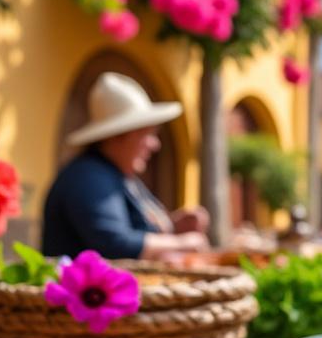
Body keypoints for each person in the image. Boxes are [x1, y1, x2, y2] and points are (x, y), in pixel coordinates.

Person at [42, 72, 210, 261]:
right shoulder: (88, 177)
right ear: (117, 136)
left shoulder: (114, 175)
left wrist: (172, 225)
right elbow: (115, 244)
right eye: (146, 134)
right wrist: (183, 242)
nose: (154, 145)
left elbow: (133, 230)